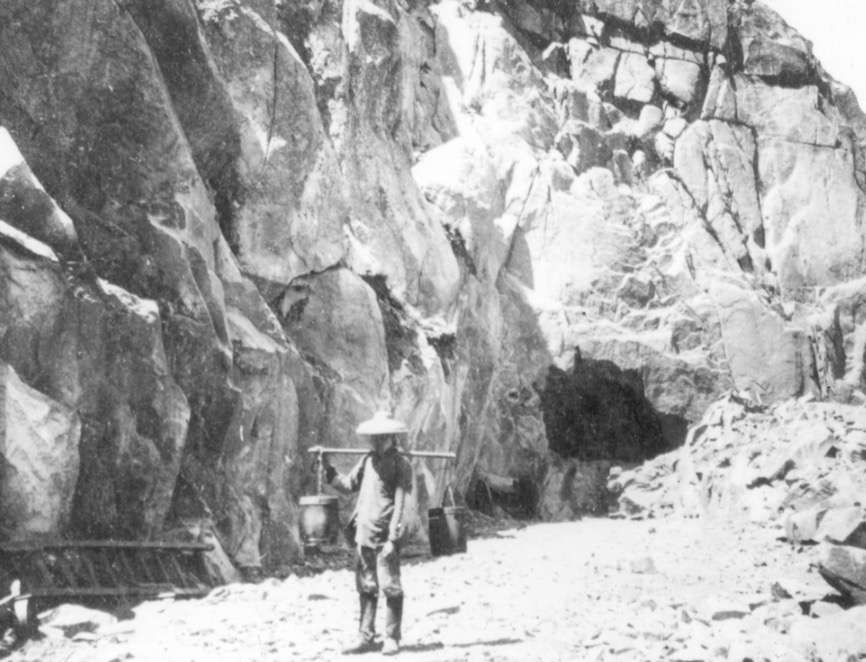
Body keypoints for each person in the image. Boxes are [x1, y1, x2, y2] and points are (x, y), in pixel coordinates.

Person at [321, 412, 413, 656]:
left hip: (385, 537)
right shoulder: (367, 461)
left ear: (391, 437)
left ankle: (392, 637)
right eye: (374, 437)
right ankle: (365, 637)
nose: (376, 441)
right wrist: (328, 469)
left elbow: (401, 503)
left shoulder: (402, 464)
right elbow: (348, 485)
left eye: (381, 437)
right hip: (363, 533)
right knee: (366, 587)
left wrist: (393, 538)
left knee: (390, 586)